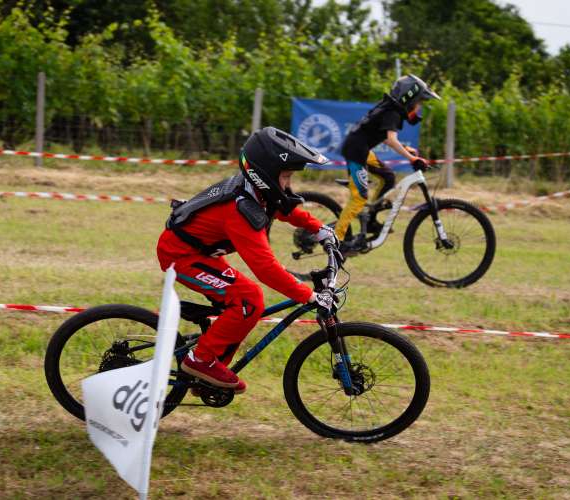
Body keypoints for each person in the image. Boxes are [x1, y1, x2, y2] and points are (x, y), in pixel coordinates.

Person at [156, 127, 338, 394]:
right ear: (265, 174)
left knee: (244, 305)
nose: (288, 183)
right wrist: (309, 296)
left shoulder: (256, 191)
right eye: (286, 176)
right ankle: (200, 360)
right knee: (248, 298)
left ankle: (206, 375)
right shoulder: (239, 210)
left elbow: (285, 208)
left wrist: (320, 229)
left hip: (201, 254)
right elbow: (266, 269)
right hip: (180, 256)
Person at [335, 74, 441, 254]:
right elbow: (391, 140)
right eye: (419, 103)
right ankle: (337, 240)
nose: (419, 108)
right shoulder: (393, 112)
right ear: (410, 98)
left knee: (388, 177)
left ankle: (369, 220)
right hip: (356, 152)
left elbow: (383, 136)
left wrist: (407, 149)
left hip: (361, 149)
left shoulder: (391, 109)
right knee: (359, 198)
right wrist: (412, 158)